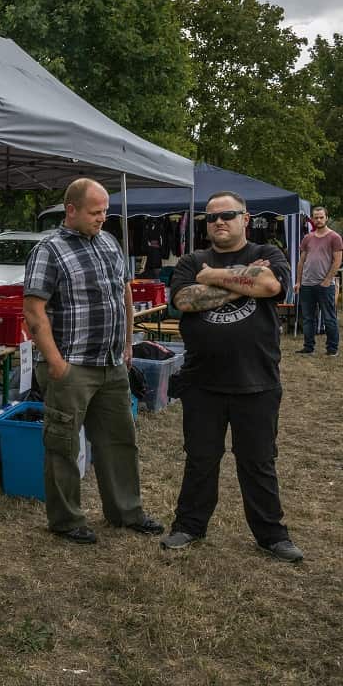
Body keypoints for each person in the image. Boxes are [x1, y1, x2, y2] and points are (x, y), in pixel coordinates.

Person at [161, 192, 303, 561]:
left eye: (228, 215)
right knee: (200, 459)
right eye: (211, 218)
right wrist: (240, 280)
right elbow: (185, 301)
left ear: (246, 218)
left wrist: (213, 278)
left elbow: (271, 286)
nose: (219, 222)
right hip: (201, 382)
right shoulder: (193, 260)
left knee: (258, 462)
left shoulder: (270, 253)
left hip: (257, 380)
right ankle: (189, 525)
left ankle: (272, 535)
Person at [22, 178, 163, 544]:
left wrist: (129, 343)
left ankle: (126, 512)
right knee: (63, 445)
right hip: (72, 365)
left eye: (105, 211)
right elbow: (34, 311)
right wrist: (55, 363)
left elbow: (125, 293)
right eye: (95, 212)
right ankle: (66, 520)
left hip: (112, 363)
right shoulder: (48, 250)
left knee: (119, 440)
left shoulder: (109, 242)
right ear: (71, 210)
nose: (103, 218)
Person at [294, 205, 342, 356]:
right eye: (316, 217)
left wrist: (327, 280)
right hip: (306, 284)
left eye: (321, 217)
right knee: (308, 319)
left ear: (326, 218)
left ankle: (332, 349)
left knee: (329, 318)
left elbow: (337, 261)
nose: (319, 220)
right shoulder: (307, 238)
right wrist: (298, 281)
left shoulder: (335, 237)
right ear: (312, 219)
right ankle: (308, 347)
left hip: (324, 285)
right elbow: (301, 261)